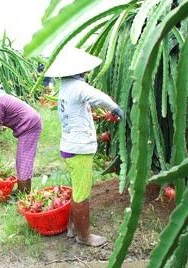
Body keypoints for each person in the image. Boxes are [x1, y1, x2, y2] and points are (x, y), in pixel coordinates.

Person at [45, 47, 124, 247]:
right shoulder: (78, 87)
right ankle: (84, 236)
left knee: (77, 190)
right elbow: (99, 97)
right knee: (82, 194)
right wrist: (116, 109)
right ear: (78, 70)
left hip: (69, 147)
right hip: (79, 151)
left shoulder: (65, 86)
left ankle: (73, 228)